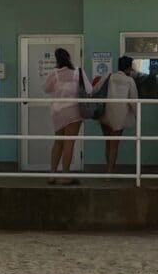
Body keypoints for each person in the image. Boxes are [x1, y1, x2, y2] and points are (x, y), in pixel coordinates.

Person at [43, 47, 91, 184]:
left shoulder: (54, 73)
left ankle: (52, 174)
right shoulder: (78, 72)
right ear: (69, 57)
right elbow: (89, 89)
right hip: (74, 112)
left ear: (57, 59)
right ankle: (65, 176)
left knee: (58, 142)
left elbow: (46, 89)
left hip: (58, 112)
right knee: (69, 144)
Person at [99, 55, 138, 174]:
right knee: (114, 146)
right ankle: (110, 172)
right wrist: (138, 116)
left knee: (108, 144)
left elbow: (95, 90)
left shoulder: (108, 76)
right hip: (119, 117)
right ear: (128, 68)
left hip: (104, 115)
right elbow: (134, 101)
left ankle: (108, 169)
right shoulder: (129, 81)